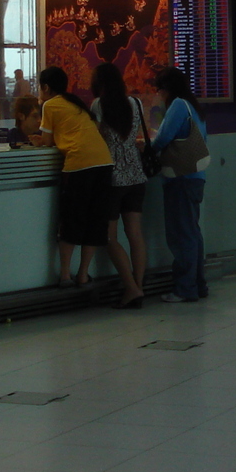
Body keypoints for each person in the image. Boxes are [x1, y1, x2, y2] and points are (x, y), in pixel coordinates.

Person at [37, 65, 113, 288]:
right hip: (104, 163)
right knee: (94, 222)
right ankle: (82, 274)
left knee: (72, 220)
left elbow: (48, 142)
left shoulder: (50, 105)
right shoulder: (76, 103)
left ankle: (64, 276)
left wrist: (37, 140)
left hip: (79, 165)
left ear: (46, 87)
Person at [90, 62, 148, 309]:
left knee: (109, 236)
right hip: (136, 175)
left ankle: (132, 289)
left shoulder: (98, 105)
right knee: (135, 234)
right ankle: (139, 286)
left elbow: (95, 137)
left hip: (112, 177)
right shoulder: (136, 103)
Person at [150, 66, 210, 303]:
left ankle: (185, 288)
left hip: (180, 178)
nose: (159, 95)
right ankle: (198, 284)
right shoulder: (194, 106)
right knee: (192, 232)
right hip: (195, 177)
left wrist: (148, 147)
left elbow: (163, 137)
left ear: (166, 89)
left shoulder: (177, 106)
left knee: (181, 234)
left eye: (159, 90)